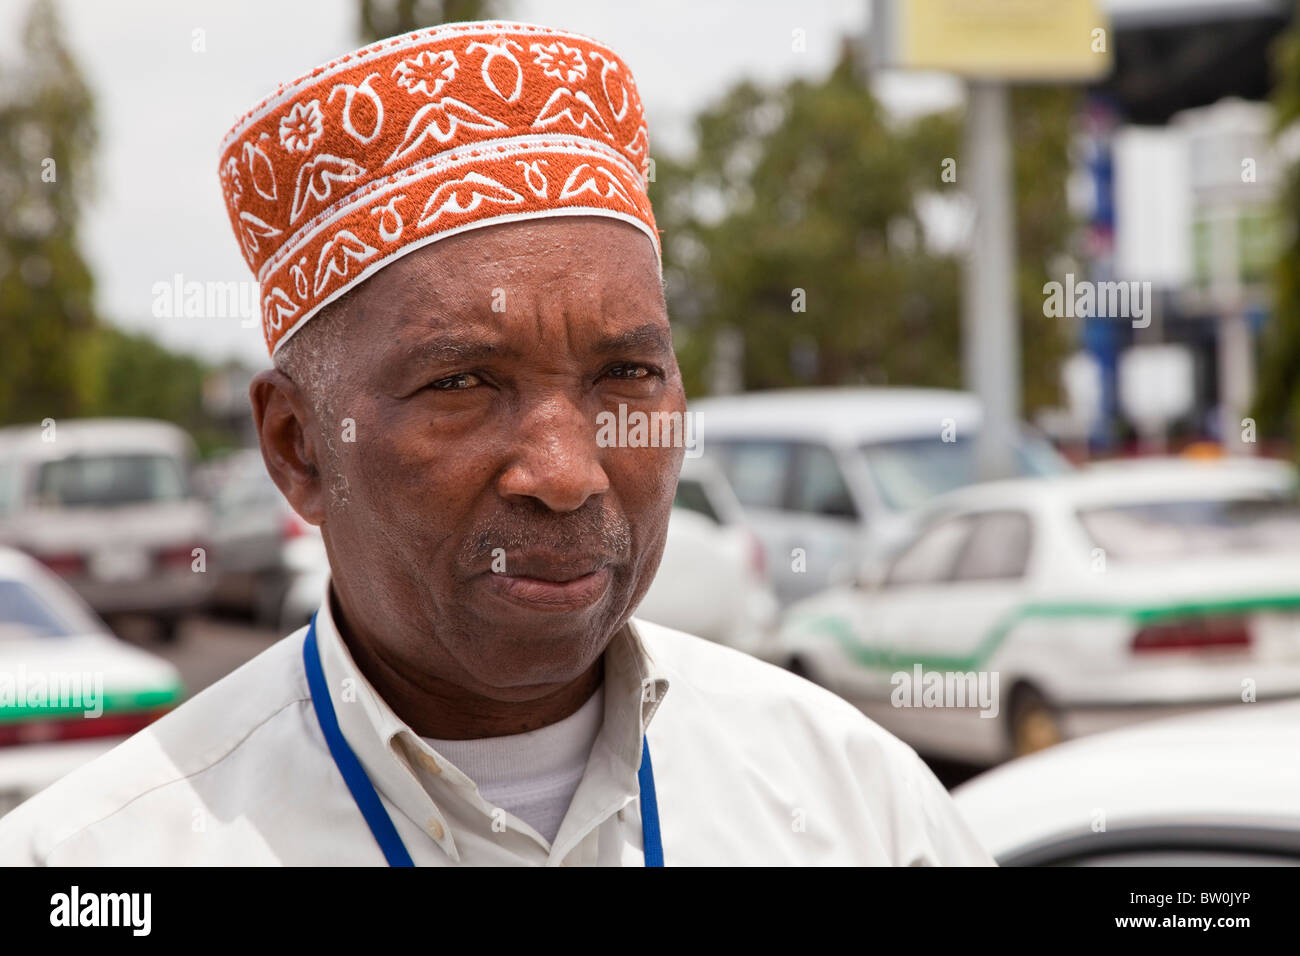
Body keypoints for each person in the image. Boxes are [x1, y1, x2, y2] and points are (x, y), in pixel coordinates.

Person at [0, 20, 995, 866]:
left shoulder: (855, 807)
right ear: (298, 445)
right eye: (462, 384)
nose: (564, 475)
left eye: (625, 375)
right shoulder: (103, 857)